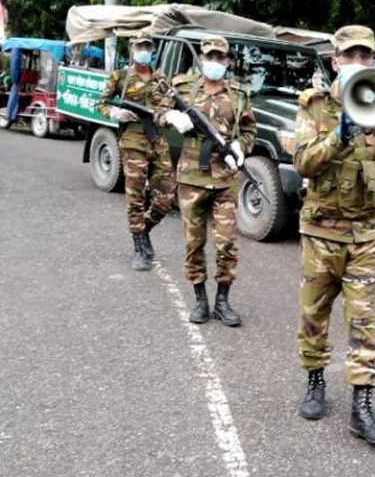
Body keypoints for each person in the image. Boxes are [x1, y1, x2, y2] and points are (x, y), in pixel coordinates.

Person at [293, 25, 375, 446]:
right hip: (321, 232)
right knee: (314, 314)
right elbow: (304, 162)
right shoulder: (314, 106)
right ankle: (315, 382)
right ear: (335, 61)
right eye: (350, 55)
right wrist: (337, 136)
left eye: (366, 56)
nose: (359, 62)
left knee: (364, 321)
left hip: (367, 235)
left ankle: (362, 406)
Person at [156, 35, 256, 327]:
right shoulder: (183, 87)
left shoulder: (239, 95)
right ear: (201, 58)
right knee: (193, 242)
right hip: (191, 178)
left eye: (219, 57)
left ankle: (222, 301)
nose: (214, 62)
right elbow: (158, 111)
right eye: (209, 56)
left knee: (226, 244)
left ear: (227, 60)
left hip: (225, 180)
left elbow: (249, 130)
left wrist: (240, 147)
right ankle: (200, 300)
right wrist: (171, 117)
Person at [97, 36, 175, 271]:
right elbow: (101, 103)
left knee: (166, 197)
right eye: (140, 47)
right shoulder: (120, 77)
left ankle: (144, 229)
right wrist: (114, 113)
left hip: (157, 141)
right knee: (135, 197)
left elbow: (170, 104)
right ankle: (139, 247)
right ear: (132, 49)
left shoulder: (161, 79)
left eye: (147, 47)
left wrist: (169, 115)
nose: (144, 51)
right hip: (133, 142)